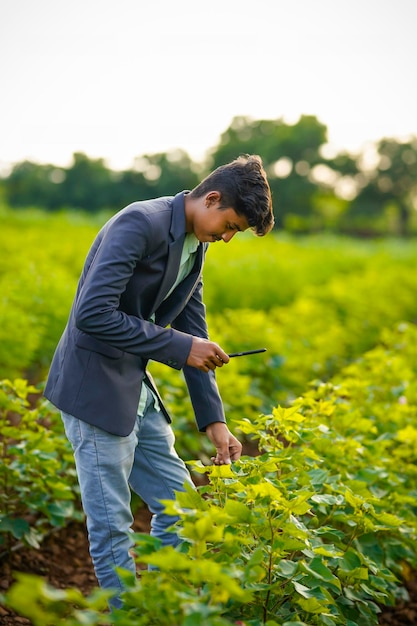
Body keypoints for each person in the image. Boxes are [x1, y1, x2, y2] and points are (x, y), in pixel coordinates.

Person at [44, 154, 274, 606]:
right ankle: (128, 615)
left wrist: (214, 421)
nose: (228, 238)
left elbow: (195, 331)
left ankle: (164, 605)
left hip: (136, 389)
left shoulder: (197, 243)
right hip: (94, 391)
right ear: (211, 198)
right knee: (112, 525)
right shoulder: (139, 223)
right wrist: (178, 347)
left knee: (181, 508)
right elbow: (92, 314)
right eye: (230, 225)